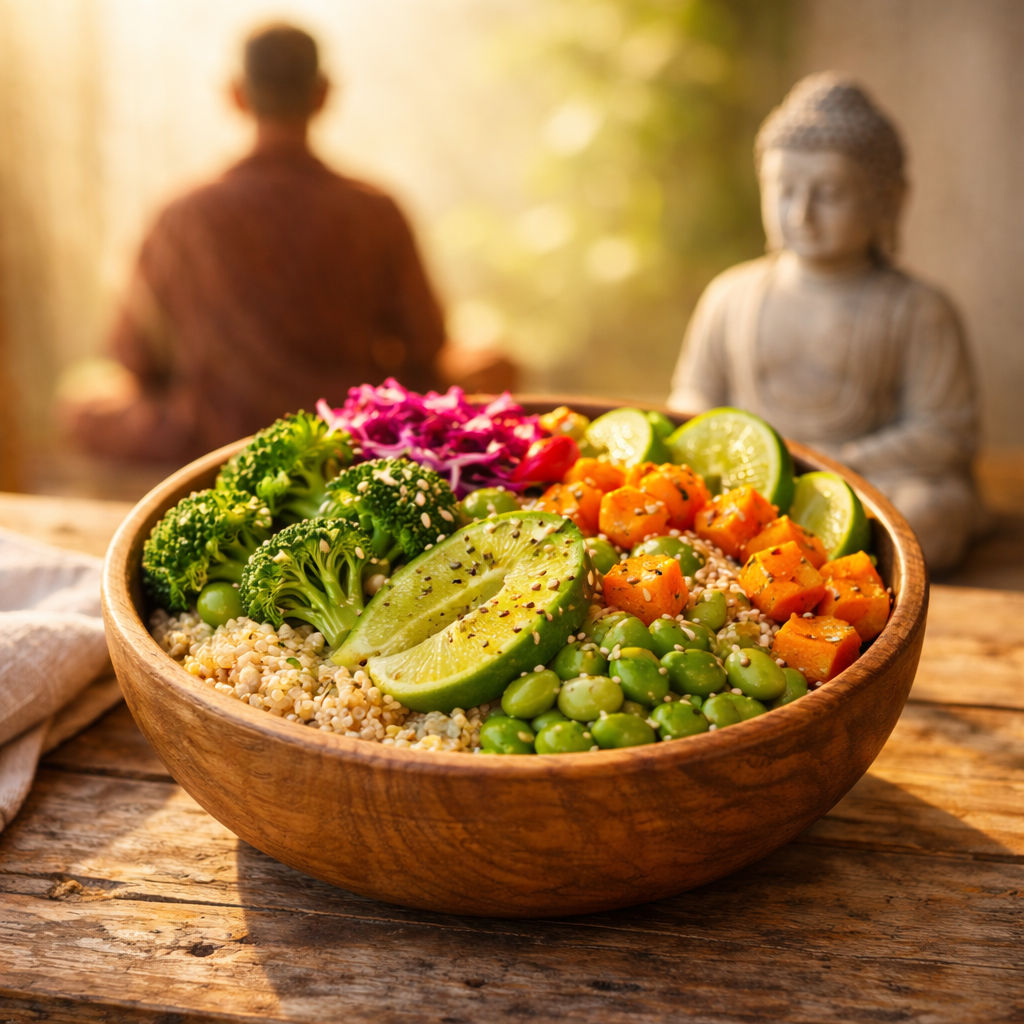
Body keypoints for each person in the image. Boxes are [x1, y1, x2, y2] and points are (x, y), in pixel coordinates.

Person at [62, 22, 516, 466]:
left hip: (213, 437)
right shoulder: (375, 210)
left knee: (84, 401)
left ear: (237, 95)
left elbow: (135, 357)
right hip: (346, 432)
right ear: (323, 94)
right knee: (495, 363)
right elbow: (426, 345)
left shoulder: (183, 215)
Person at [667, 72, 983, 573]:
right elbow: (691, 402)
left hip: (868, 482)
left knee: (927, 513)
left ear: (886, 199)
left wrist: (841, 460)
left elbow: (946, 431)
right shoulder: (732, 295)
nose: (802, 213)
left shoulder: (918, 308)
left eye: (829, 193)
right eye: (784, 190)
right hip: (749, 488)